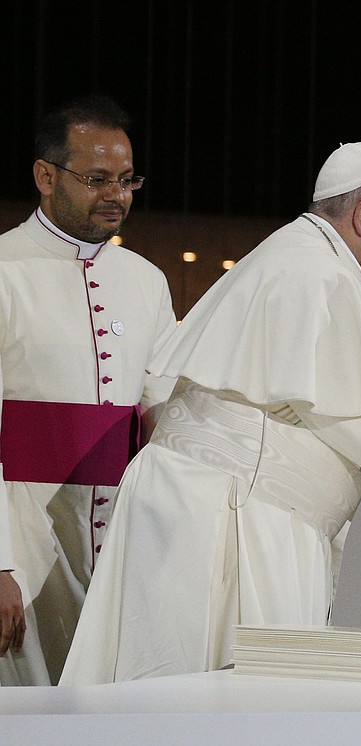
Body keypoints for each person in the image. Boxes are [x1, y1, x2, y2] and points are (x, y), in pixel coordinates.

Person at [60, 142, 361, 685]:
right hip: (234, 525)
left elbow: (348, 443)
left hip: (202, 508)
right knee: (218, 706)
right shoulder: (318, 278)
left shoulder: (292, 259)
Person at [0, 94, 176, 686]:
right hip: (23, 544)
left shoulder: (146, 282)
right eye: (97, 179)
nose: (117, 195)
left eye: (127, 180)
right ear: (45, 177)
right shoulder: (3, 270)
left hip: (123, 550)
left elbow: (165, 416)